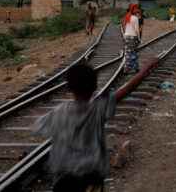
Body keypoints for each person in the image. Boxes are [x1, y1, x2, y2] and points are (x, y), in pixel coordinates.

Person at [34, 64, 116, 192]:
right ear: (94, 87)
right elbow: (114, 97)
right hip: (92, 175)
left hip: (64, 176)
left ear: (69, 88)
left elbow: (39, 127)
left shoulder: (59, 111)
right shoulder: (98, 109)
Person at [122, 4, 140, 74]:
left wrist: (125, 34)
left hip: (126, 36)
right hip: (133, 37)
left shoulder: (126, 17)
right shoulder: (135, 18)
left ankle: (135, 68)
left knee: (128, 53)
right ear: (133, 10)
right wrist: (138, 38)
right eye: (136, 9)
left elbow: (124, 27)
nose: (137, 10)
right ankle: (128, 69)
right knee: (133, 52)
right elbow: (137, 30)